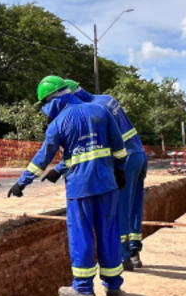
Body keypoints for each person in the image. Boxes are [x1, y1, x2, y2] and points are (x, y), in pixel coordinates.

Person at [7, 75, 128, 296]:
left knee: (81, 235)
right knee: (109, 233)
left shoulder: (58, 123)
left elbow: (42, 158)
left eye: (45, 103)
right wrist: (119, 170)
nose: (46, 108)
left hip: (80, 189)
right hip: (107, 185)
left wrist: (22, 182)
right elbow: (118, 146)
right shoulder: (100, 111)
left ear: (54, 99)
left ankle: (83, 288)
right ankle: (113, 286)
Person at [42, 79, 148, 270]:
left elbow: (92, 149)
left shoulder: (91, 109)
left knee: (119, 210)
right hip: (139, 155)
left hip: (125, 161)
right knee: (134, 208)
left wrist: (59, 169)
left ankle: (123, 257)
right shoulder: (106, 99)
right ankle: (134, 250)